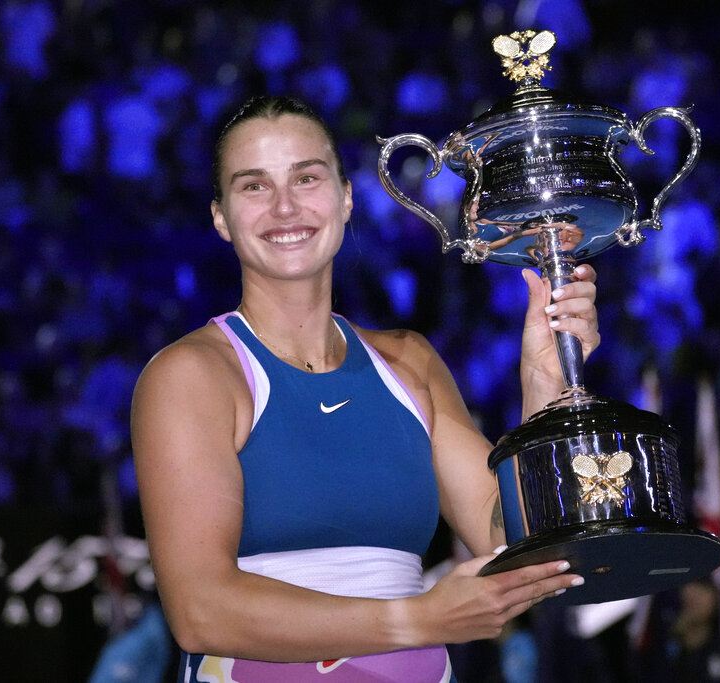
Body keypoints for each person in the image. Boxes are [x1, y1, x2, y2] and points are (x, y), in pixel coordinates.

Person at [130, 95, 600, 682]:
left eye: (307, 177)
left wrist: (543, 386)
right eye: (253, 186)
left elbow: (513, 543)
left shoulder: (410, 363)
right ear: (221, 217)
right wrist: (417, 620)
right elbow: (200, 612)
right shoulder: (191, 376)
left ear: (346, 198)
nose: (284, 206)